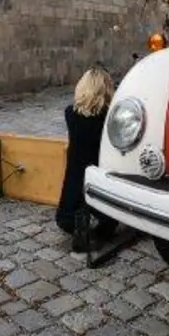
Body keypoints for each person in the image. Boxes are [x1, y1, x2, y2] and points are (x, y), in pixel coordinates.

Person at [56, 66, 120, 248]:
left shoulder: (70, 113)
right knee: (108, 221)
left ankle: (81, 224)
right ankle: (89, 226)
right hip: (99, 183)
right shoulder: (108, 119)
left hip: (71, 197)